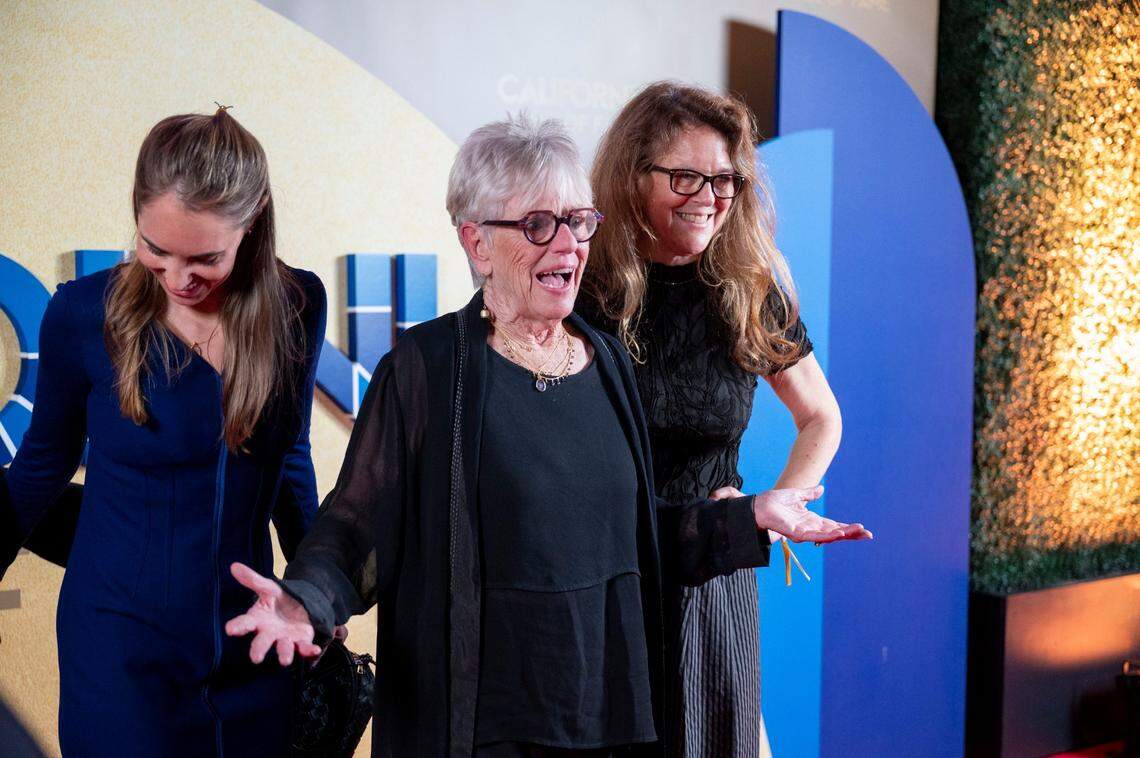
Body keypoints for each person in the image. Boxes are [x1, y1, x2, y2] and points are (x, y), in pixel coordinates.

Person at [224, 115, 869, 758]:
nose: (568, 245)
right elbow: (357, 527)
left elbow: (639, 542)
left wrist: (753, 515)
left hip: (606, 727)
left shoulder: (608, 363)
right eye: (538, 225)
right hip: (478, 730)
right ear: (476, 243)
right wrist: (304, 600)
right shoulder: (426, 368)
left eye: (578, 221)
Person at [0, 107, 326, 757]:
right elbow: (40, 467)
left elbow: (289, 456)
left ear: (253, 220)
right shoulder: (82, 314)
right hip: (119, 659)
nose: (178, 280)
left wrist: (318, 586)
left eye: (204, 257)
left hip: (251, 646)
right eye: (156, 250)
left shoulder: (298, 304)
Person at [579, 81, 844, 756]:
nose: (710, 197)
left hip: (712, 578)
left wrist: (780, 499)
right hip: (601, 580)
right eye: (686, 176)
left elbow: (821, 416)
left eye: (725, 178)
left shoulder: (747, 288)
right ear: (632, 177)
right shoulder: (582, 286)